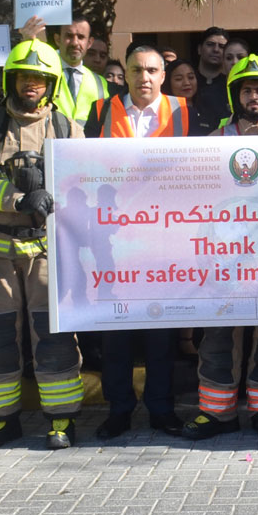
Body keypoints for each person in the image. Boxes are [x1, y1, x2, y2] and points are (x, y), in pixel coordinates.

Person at [0, 40, 87, 449]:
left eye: (38, 78)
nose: (29, 85)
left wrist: (53, 196)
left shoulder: (68, 128)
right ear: (11, 81)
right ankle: (1, 421)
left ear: (49, 84)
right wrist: (19, 200)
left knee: (54, 338)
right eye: (23, 77)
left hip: (47, 253)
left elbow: (85, 180)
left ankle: (62, 420)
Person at [187, 55, 258, 441]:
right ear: (236, 96)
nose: (254, 97)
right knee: (217, 337)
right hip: (224, 261)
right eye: (247, 90)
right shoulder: (215, 142)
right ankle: (215, 413)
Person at [83, 43, 187, 439]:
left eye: (152, 70)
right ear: (124, 73)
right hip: (113, 238)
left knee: (162, 330)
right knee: (116, 331)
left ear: (163, 75)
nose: (144, 77)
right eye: (136, 70)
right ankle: (120, 409)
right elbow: (83, 168)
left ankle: (161, 409)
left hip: (164, 238)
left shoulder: (183, 112)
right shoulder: (99, 112)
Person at [25, 18, 112, 127]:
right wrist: (27, 41)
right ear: (57, 39)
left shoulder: (100, 83)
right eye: (69, 36)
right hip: (48, 142)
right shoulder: (41, 73)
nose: (75, 43)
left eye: (81, 37)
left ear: (89, 43)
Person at [191, 27, 232, 130]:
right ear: (199, 49)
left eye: (222, 46)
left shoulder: (231, 86)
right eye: (210, 44)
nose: (216, 50)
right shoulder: (187, 83)